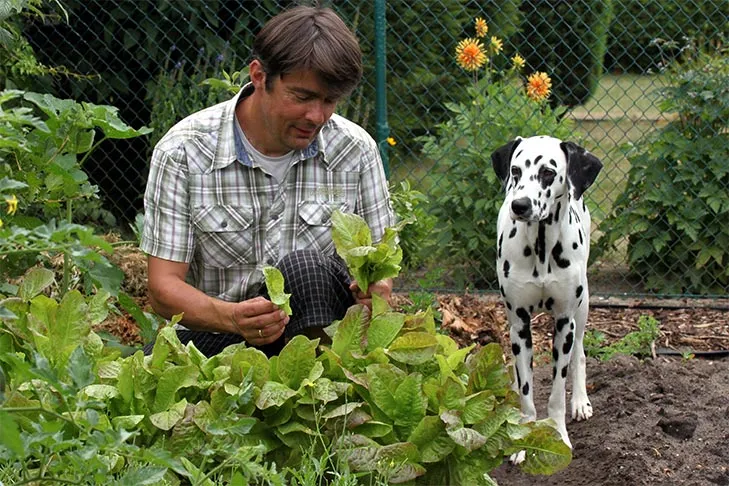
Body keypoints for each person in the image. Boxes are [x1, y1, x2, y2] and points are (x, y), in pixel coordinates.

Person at [140, 5, 396, 357]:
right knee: (140, 371)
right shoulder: (184, 151)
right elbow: (162, 288)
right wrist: (231, 316)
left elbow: (381, 266)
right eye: (302, 97)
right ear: (259, 76)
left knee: (305, 269)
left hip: (327, 340)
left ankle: (318, 396)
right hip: (225, 335)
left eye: (330, 100)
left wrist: (374, 289)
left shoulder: (355, 151)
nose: (316, 116)